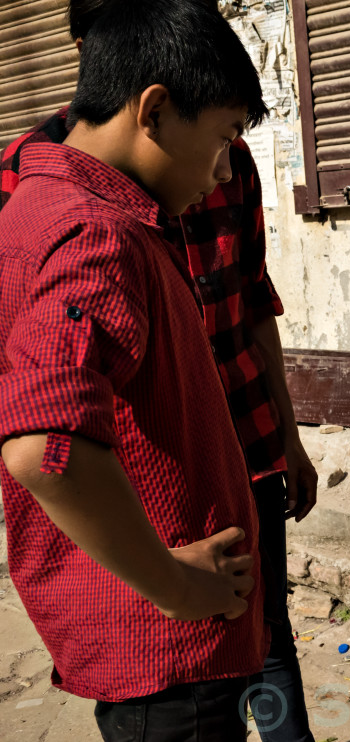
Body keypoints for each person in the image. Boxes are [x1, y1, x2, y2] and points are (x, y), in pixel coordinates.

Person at [0, 1, 319, 739]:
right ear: (154, 110)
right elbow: (47, 449)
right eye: (221, 140)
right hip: (173, 654)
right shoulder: (94, 234)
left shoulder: (70, 205)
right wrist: (174, 585)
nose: (219, 173)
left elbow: (250, 301)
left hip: (184, 620)